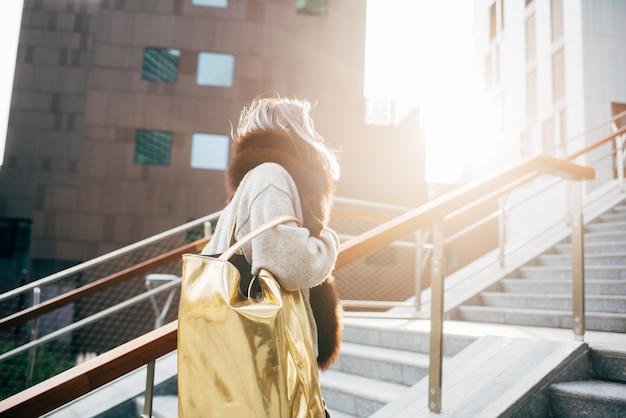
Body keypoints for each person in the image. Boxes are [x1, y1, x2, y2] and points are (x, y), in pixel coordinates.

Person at [201, 95, 343, 416]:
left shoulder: (257, 179)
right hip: (267, 355)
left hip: (247, 354)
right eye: (309, 127)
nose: (318, 138)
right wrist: (329, 243)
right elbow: (291, 263)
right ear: (293, 131)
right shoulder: (271, 177)